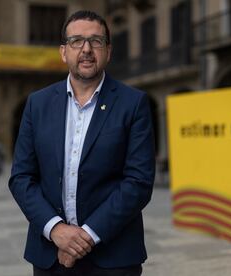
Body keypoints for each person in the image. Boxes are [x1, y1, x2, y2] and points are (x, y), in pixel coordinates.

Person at [9, 10, 155, 276]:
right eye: (77, 41)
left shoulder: (133, 104)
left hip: (114, 258)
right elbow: (21, 177)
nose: (86, 49)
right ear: (64, 52)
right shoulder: (37, 104)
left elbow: (139, 182)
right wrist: (56, 230)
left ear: (108, 51)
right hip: (49, 255)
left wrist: (84, 237)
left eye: (96, 41)